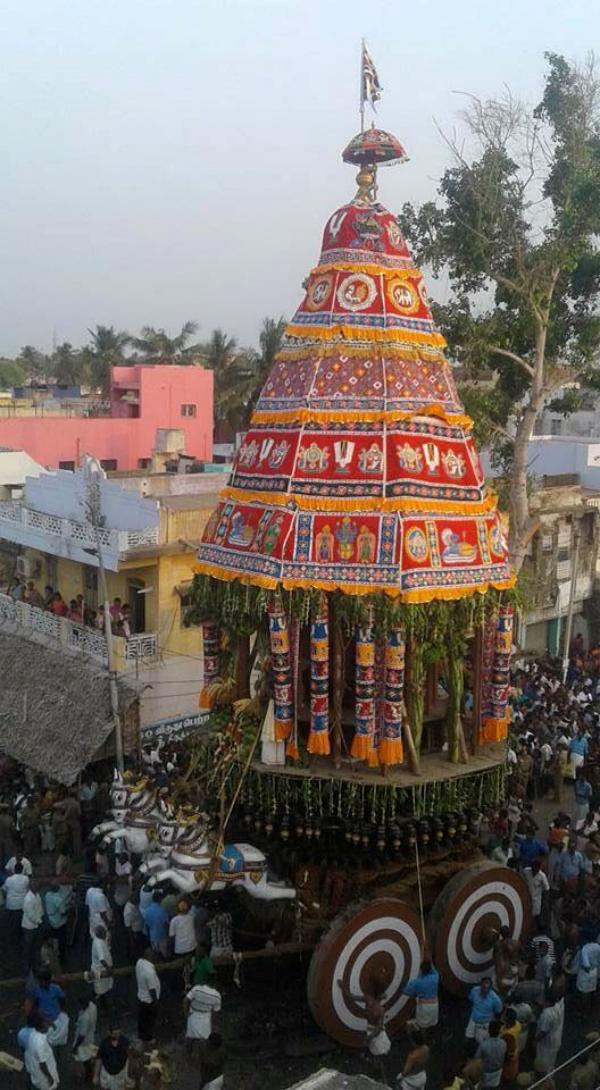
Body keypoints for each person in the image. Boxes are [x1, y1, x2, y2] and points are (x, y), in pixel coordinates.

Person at [184, 979, 222, 1051]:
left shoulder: (197, 989)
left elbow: (185, 1000)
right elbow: (216, 1012)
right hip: (206, 1017)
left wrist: (186, 1012)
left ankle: (187, 1053)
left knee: (190, 1036)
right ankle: (202, 1054)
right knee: (204, 1038)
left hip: (193, 1013)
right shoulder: (217, 996)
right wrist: (214, 1025)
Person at [24, 1013, 59, 1090]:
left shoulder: (34, 1033)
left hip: (34, 1066)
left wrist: (51, 1023)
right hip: (43, 1075)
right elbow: (42, 1065)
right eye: (46, 1022)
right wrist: (50, 1077)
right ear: (43, 1024)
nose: (49, 1023)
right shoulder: (40, 1043)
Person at [403, 959, 440, 1030]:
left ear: (421, 970)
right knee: (430, 1023)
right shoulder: (436, 977)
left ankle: (419, 1033)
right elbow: (433, 969)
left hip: (424, 1009)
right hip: (435, 1008)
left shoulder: (417, 982)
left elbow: (405, 991)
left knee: (419, 1025)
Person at [135, 947, 161, 1044]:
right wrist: (155, 1003)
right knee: (149, 1021)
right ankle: (148, 1039)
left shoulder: (139, 962)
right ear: (151, 957)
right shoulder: (150, 973)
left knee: (142, 1020)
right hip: (149, 1001)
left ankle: (141, 1037)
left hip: (141, 997)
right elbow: (152, 990)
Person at [44, 882, 73, 966]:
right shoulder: (59, 899)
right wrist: (69, 908)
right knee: (61, 941)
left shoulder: (47, 895)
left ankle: (51, 952)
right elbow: (63, 912)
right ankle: (61, 958)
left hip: (50, 920)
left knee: (52, 937)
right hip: (60, 923)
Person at [466, 977, 503, 1043]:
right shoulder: (474, 990)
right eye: (483, 987)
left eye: (487, 988)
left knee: (480, 1042)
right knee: (468, 1038)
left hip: (484, 1024)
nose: (485, 990)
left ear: (490, 988)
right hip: (473, 1019)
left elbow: (498, 1011)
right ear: (480, 985)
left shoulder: (496, 999)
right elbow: (470, 999)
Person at [95, 1023, 130, 1090]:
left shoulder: (125, 1042)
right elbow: (99, 1058)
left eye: (118, 1033)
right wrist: (96, 1075)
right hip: (107, 1073)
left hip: (120, 1074)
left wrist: (128, 1076)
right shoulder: (104, 1043)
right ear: (109, 1033)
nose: (117, 1036)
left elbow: (129, 1058)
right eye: (114, 1033)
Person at [72, 995, 98, 1083]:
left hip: (84, 1042)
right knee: (89, 1055)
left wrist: (75, 1047)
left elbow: (82, 1035)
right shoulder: (93, 1006)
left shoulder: (85, 1018)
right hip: (91, 1036)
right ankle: (90, 1072)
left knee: (85, 1060)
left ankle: (89, 1076)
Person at [535, 997, 565, 1073]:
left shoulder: (547, 1014)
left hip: (547, 1043)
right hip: (555, 1038)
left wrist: (535, 1040)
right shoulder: (557, 1006)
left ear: (547, 1001)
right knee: (551, 1061)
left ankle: (544, 1076)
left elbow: (543, 1032)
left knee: (544, 1063)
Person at [476, 1020, 506, 1089]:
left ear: (489, 1031)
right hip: (498, 1070)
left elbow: (477, 1058)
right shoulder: (503, 1043)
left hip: (486, 1072)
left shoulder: (484, 1045)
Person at [398, 1026, 430, 1090]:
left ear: (414, 1042)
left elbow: (405, 1072)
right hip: (422, 1076)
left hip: (412, 1080)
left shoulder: (412, 1056)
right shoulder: (426, 1048)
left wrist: (400, 1075)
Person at [4, 860, 29, 941]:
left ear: (14, 870)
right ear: (22, 870)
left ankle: (11, 939)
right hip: (21, 905)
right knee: (20, 923)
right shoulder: (26, 879)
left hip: (10, 905)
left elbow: (4, 890)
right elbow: (28, 889)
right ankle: (18, 939)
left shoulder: (9, 879)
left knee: (11, 923)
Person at [22, 882, 44, 970]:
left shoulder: (37, 895)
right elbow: (30, 915)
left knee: (36, 945)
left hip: (37, 924)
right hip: (29, 927)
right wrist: (40, 921)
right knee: (28, 946)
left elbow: (40, 906)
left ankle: (35, 962)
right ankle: (26, 965)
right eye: (35, 886)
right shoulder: (28, 899)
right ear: (31, 888)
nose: (37, 887)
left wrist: (41, 916)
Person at [524, 859, 550, 929]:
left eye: (537, 868)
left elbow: (547, 889)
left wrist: (545, 902)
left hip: (536, 900)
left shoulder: (542, 876)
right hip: (525, 897)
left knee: (534, 916)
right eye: (534, 867)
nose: (535, 870)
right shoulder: (526, 871)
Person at [46, 996, 69, 1073]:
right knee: (58, 1050)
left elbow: (51, 1026)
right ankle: (59, 1060)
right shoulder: (65, 1016)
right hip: (60, 1038)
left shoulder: (55, 1015)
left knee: (52, 1052)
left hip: (53, 1038)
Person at [143, 890, 169, 957]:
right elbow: (166, 924)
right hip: (162, 937)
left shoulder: (147, 910)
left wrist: (148, 937)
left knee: (155, 956)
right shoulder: (162, 910)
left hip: (152, 937)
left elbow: (146, 926)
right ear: (160, 899)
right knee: (164, 956)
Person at [91, 924, 113, 1001]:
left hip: (103, 969)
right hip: (101, 970)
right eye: (104, 933)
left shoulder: (98, 939)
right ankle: (102, 1001)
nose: (106, 935)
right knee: (100, 990)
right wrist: (108, 969)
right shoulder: (99, 944)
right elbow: (102, 960)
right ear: (101, 934)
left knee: (105, 986)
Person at [500, 1008, 521, 1083]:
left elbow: (508, 1052)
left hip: (509, 1059)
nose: (502, 1015)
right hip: (516, 1052)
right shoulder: (517, 1024)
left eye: (504, 1015)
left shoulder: (508, 1035)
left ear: (507, 1019)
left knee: (507, 1076)